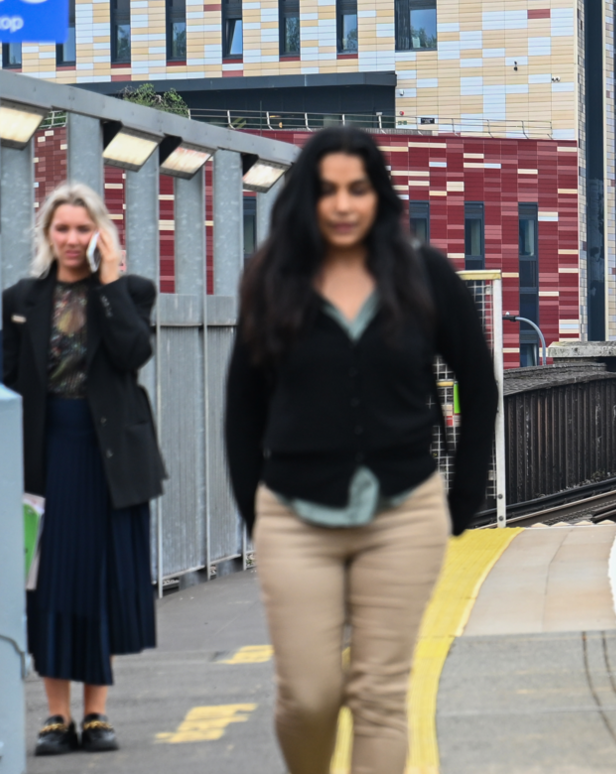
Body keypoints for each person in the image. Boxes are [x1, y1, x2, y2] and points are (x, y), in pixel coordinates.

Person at [224, 126, 498, 774]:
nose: (343, 205)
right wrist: (258, 514)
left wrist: (460, 500)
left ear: (378, 196)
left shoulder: (423, 275)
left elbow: (479, 385)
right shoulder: (272, 282)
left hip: (403, 514)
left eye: (357, 189)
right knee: (308, 697)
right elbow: (242, 410)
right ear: (306, 201)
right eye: (327, 191)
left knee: (378, 698)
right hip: (295, 517)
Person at [0, 181, 164, 755]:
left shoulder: (131, 292)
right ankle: (54, 716)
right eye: (62, 228)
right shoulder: (20, 300)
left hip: (109, 459)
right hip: (45, 456)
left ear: (101, 233)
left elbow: (132, 354)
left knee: (98, 583)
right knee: (46, 584)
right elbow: (6, 383)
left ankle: (96, 715)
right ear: (47, 234)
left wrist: (111, 278)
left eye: (82, 228)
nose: (72, 239)